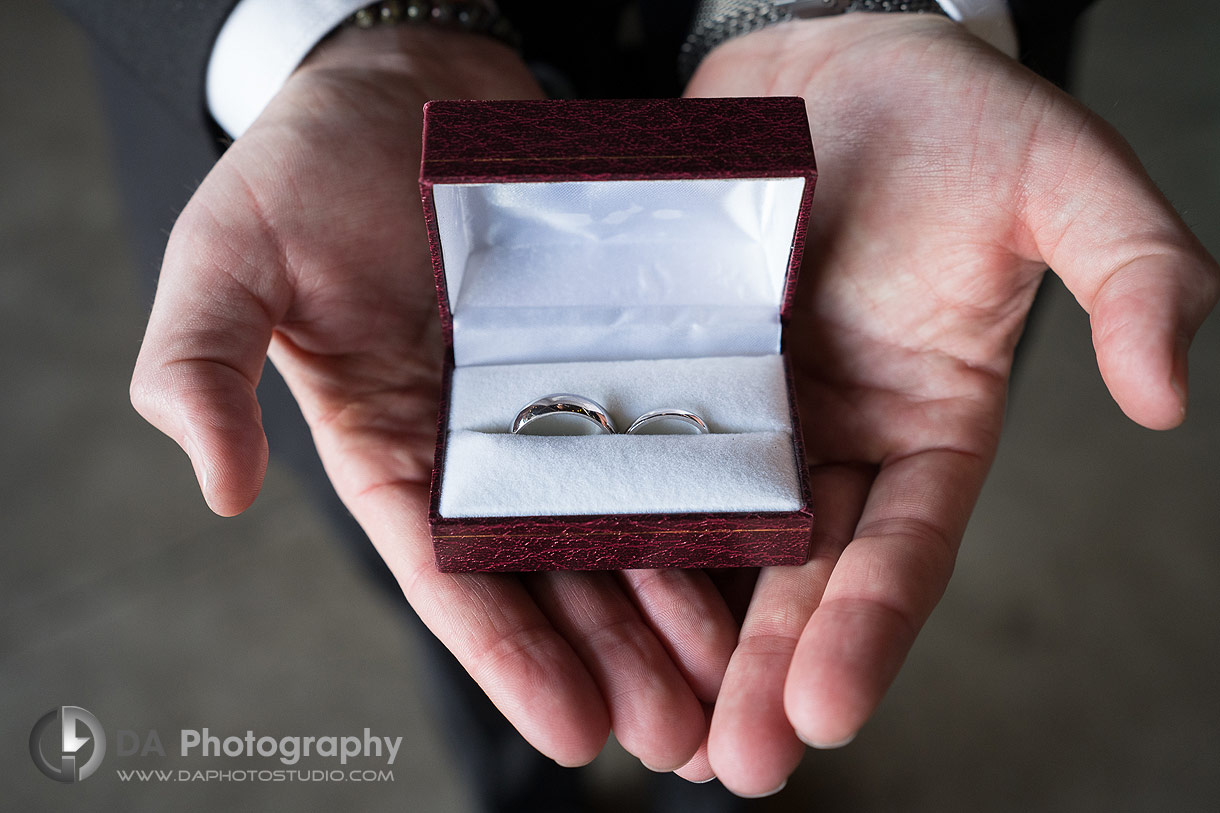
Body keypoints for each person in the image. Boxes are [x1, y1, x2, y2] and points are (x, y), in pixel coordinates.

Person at [59, 0, 1220, 804]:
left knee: (770, 658)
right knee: (455, 602)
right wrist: (346, 50)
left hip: (868, 247)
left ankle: (712, 802)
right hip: (377, 265)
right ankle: (516, 787)